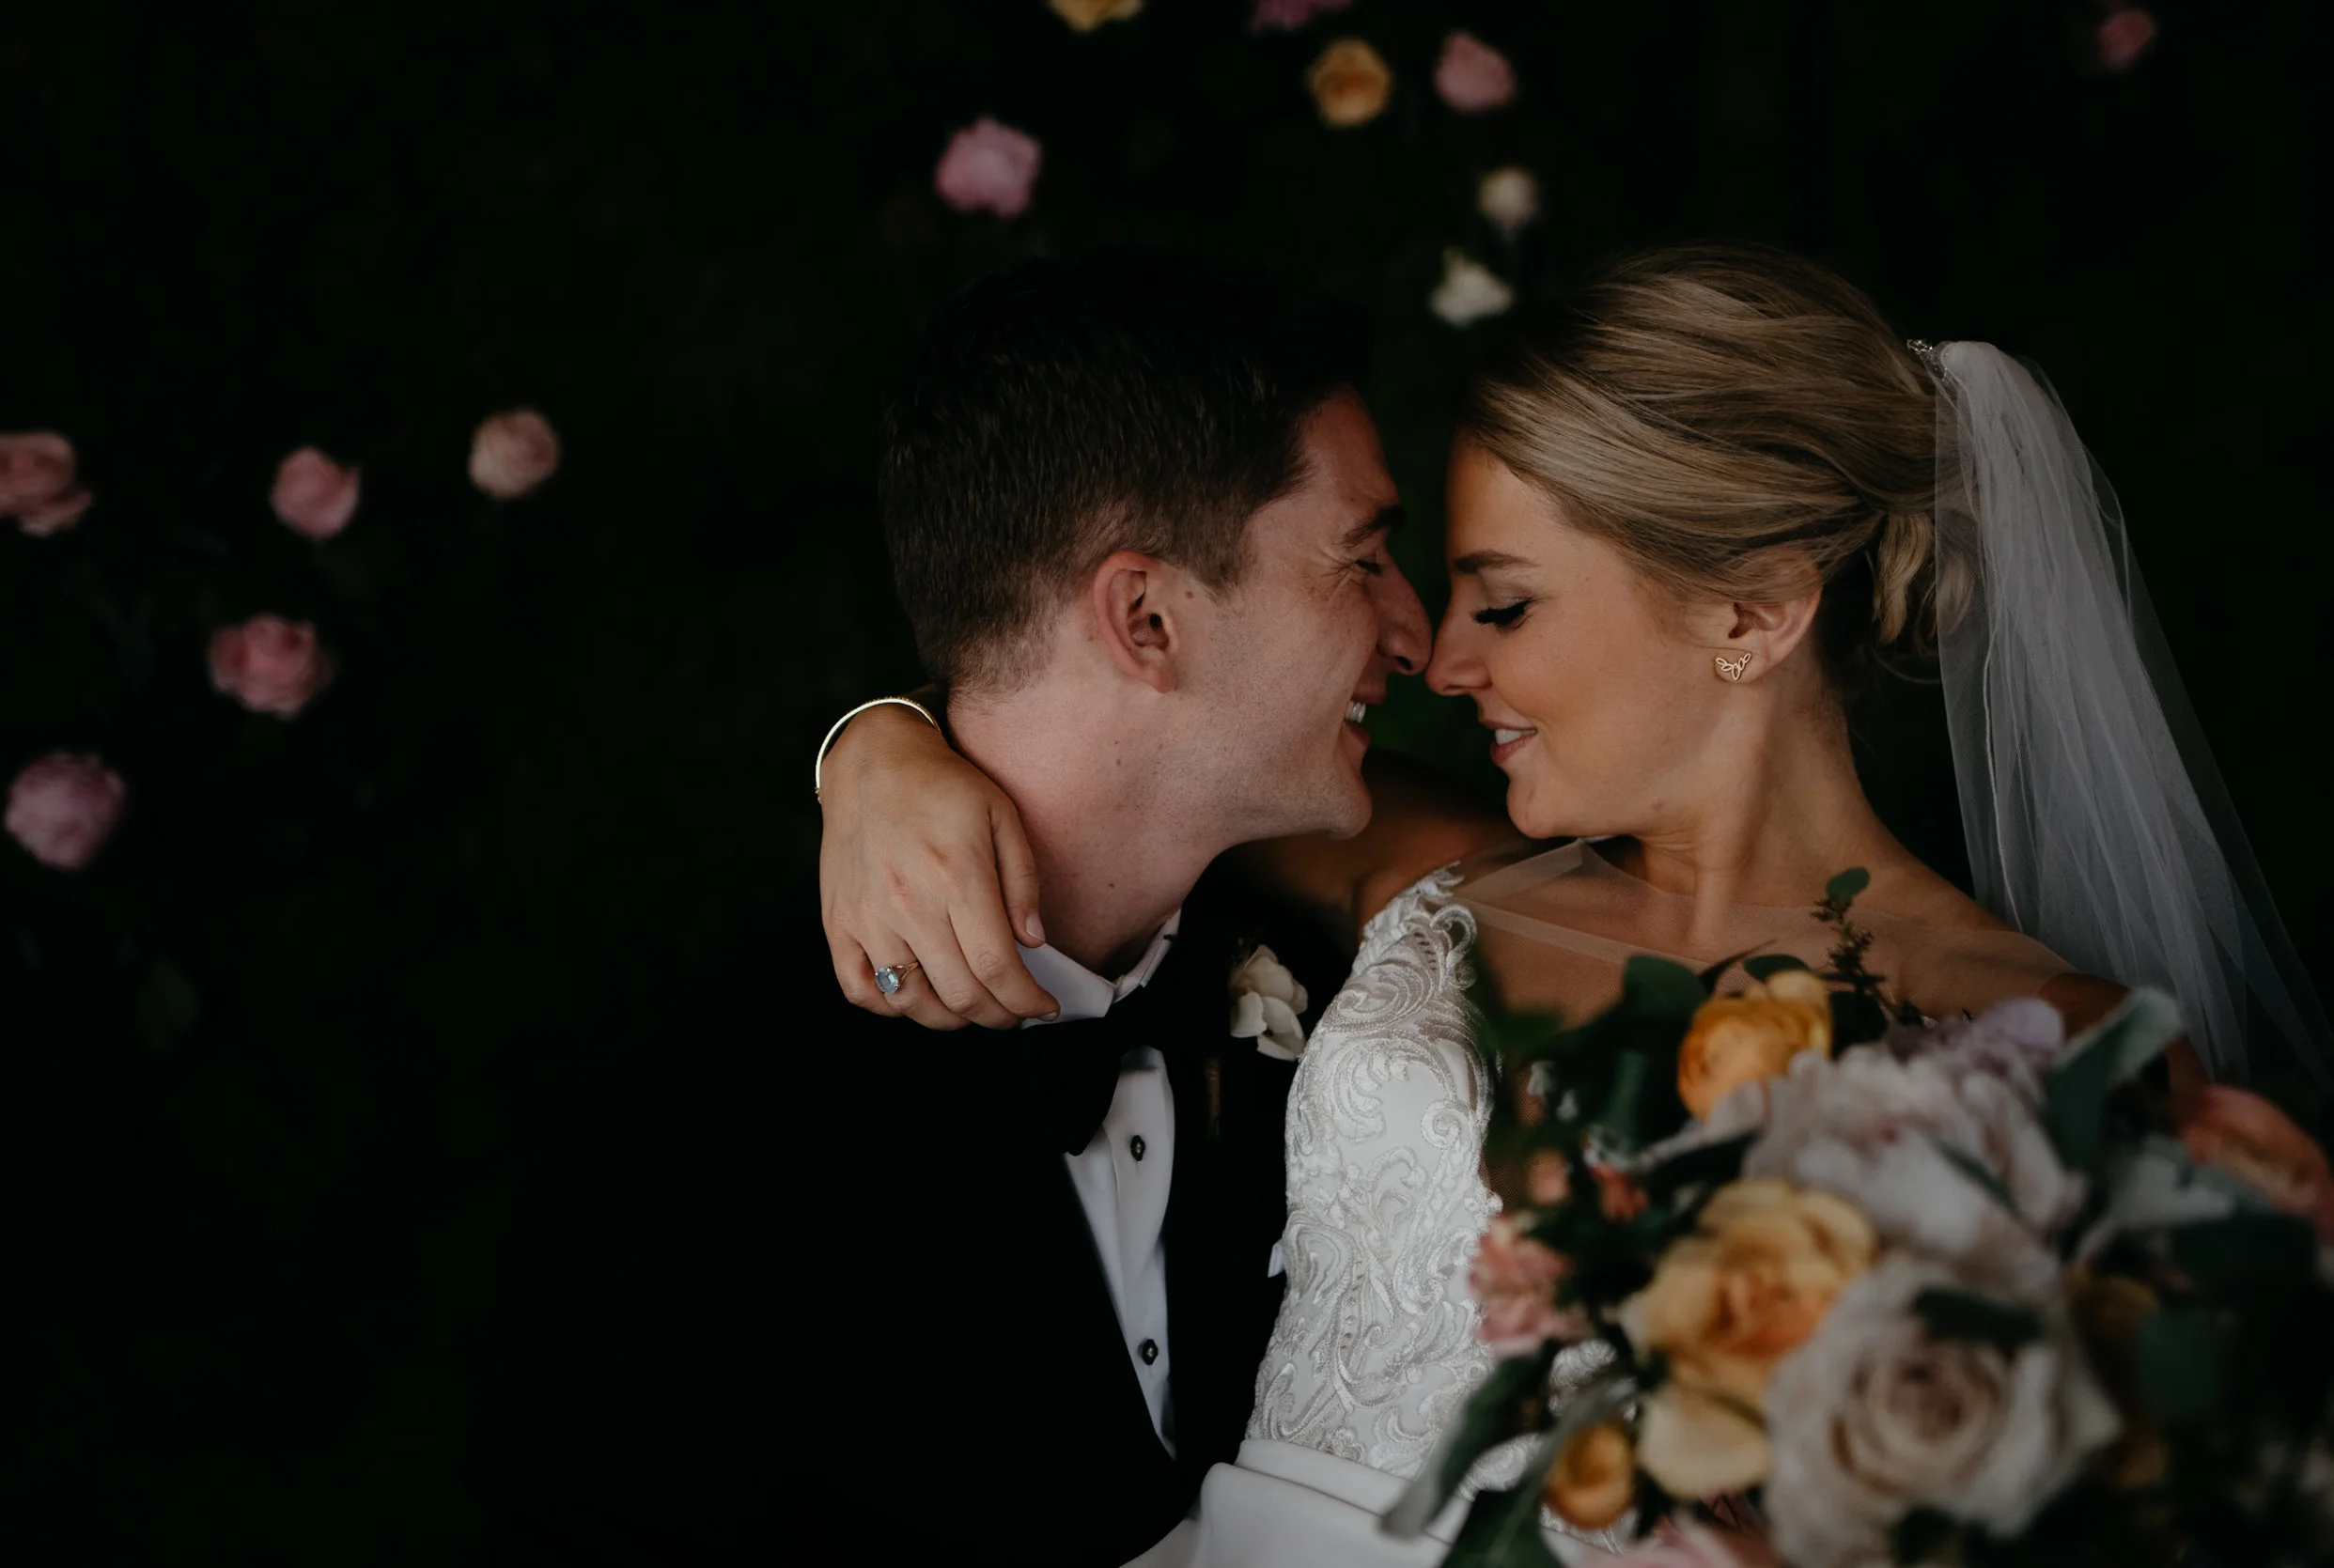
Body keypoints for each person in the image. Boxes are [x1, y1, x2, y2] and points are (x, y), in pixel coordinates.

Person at [815, 242, 2331, 1564]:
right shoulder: (1430, 864)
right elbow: (1112, 752)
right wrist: (873, 747)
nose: (1443, 656)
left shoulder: (2055, 1053)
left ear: (1752, 611)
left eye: (1509, 602)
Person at [478, 247, 1438, 1566]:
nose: (1417, 632)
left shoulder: (1346, 996)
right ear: (1145, 616)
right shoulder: (696, 1134)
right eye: (1363, 559)